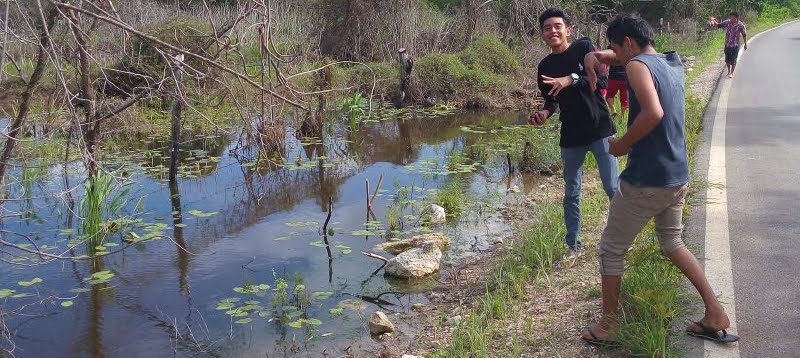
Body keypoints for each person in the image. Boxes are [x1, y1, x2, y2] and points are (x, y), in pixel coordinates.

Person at [580, 15, 739, 345]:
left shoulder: (637, 66)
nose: (613, 55)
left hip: (646, 180)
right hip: (676, 175)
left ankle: (608, 325)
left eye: (614, 47)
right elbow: (623, 57)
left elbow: (653, 112)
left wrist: (621, 145)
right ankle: (714, 312)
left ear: (628, 44)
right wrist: (593, 56)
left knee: (611, 250)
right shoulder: (670, 61)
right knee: (672, 242)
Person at [530, 8, 618, 261]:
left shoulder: (585, 49)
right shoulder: (545, 65)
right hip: (571, 134)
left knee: (612, 187)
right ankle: (573, 246)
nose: (553, 31)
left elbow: (602, 83)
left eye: (557, 26)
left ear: (568, 30)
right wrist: (544, 114)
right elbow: (550, 101)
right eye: (547, 28)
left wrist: (572, 78)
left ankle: (622, 238)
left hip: (600, 128)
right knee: (571, 192)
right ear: (543, 35)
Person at [708, 11, 747, 78]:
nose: (731, 19)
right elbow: (719, 25)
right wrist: (713, 21)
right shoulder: (727, 22)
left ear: (736, 18)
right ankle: (728, 71)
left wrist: (746, 44)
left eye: (733, 17)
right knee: (727, 60)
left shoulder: (740, 25)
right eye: (730, 17)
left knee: (734, 60)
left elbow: (744, 35)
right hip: (727, 44)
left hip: (735, 45)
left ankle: (732, 72)